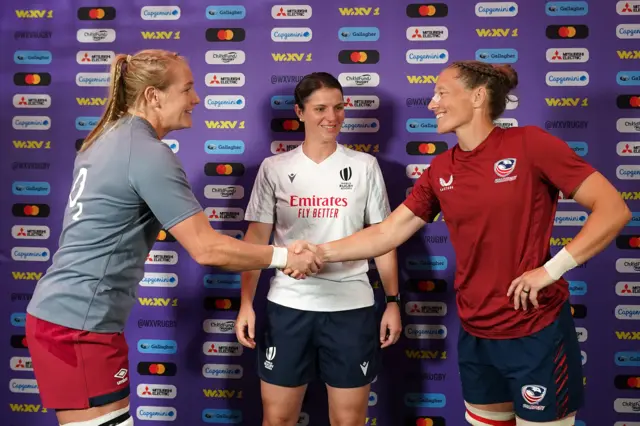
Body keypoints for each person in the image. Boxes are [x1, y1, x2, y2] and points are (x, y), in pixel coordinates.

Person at [287, 61, 632, 425]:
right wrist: (319, 252)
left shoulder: (529, 144)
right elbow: (387, 233)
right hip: (476, 333)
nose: (432, 103)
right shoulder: (441, 169)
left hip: (535, 329)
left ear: (478, 96)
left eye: (442, 93)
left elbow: (612, 210)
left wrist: (550, 270)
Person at [24, 49, 321, 426]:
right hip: (79, 326)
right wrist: (284, 258)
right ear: (153, 95)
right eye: (187, 89)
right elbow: (207, 248)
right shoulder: (146, 153)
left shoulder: (107, 137)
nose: (196, 99)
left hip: (65, 317)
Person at [234, 72, 402, 426]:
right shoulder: (274, 168)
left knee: (349, 420)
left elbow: (383, 238)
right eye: (321, 108)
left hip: (351, 310)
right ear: (299, 112)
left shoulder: (364, 166)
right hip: (288, 308)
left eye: (339, 107)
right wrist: (246, 303)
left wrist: (392, 301)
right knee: (278, 418)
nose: (333, 117)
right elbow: (255, 241)